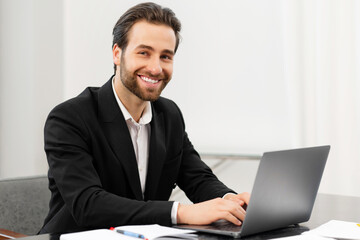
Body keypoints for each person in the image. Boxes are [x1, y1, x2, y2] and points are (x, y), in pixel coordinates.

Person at [40, 2, 250, 234]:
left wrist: (232, 201)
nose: (155, 67)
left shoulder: (169, 115)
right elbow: (89, 204)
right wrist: (180, 212)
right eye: (144, 53)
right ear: (117, 54)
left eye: (166, 56)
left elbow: (197, 178)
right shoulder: (69, 118)